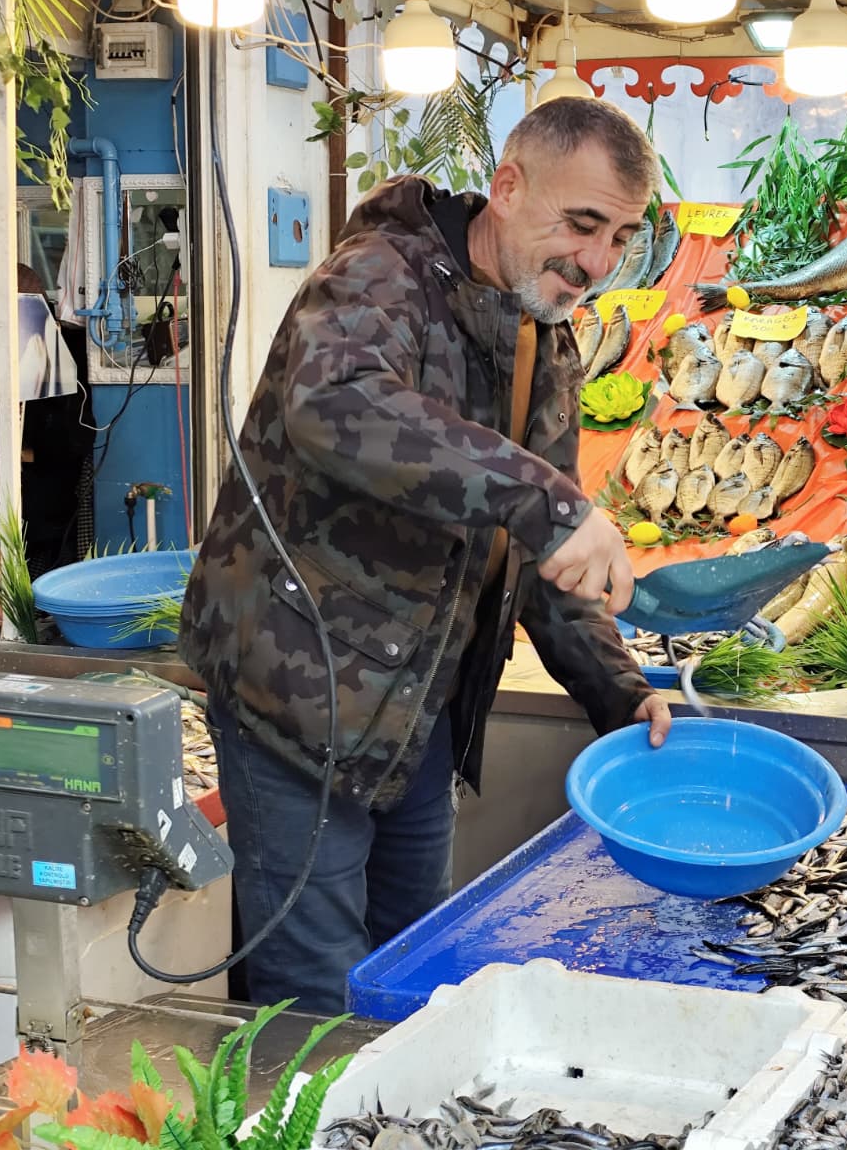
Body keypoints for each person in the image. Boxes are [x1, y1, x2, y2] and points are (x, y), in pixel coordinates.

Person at [179, 96, 673, 1013]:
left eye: (622, 236)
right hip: (300, 701)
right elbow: (337, 405)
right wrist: (547, 498)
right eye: (583, 224)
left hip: (418, 713)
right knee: (316, 999)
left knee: (415, 976)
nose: (598, 263)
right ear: (508, 186)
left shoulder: (543, 340)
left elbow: (542, 558)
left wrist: (623, 691)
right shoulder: (380, 276)